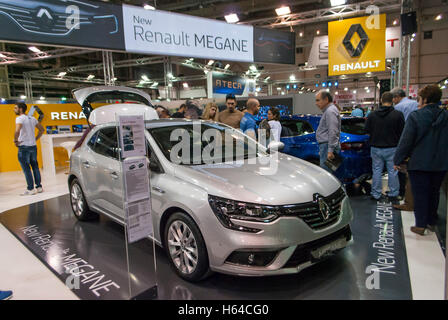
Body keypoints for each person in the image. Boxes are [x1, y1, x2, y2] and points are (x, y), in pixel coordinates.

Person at [394, 85, 448, 236]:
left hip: (420, 162)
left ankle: (420, 225)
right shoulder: (445, 116)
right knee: (434, 192)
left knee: (420, 193)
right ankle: (431, 220)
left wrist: (398, 159)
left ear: (424, 99)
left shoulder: (416, 116)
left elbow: (406, 141)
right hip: (441, 163)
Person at [365, 92, 405, 201]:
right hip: (392, 147)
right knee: (393, 171)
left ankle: (376, 193)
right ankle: (393, 193)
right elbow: (402, 132)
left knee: (377, 170)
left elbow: (367, 131)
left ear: (381, 100)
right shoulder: (398, 114)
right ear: (392, 100)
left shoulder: (372, 115)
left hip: (376, 147)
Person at [391, 87, 419, 200]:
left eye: (393, 98)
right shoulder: (415, 103)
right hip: (417, 141)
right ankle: (412, 193)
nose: (393, 101)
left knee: (400, 167)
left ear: (397, 97)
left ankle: (402, 192)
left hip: (403, 139)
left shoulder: (398, 108)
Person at [14, 102, 44, 196]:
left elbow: (17, 130)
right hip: (33, 146)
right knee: (35, 167)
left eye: (16, 108)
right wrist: (35, 139)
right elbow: (42, 129)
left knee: (26, 169)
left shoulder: (19, 118)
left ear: (21, 109)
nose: (14, 109)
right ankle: (39, 187)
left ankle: (30, 189)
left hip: (24, 147)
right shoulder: (33, 118)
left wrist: (15, 141)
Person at [315, 90, 341, 173]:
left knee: (327, 176)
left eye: (318, 100)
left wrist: (330, 150)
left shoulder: (330, 111)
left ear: (326, 99)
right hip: (326, 146)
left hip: (327, 147)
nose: (316, 103)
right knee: (329, 174)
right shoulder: (330, 110)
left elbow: (333, 131)